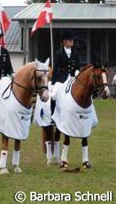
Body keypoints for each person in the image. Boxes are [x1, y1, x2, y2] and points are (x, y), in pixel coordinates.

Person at [51, 30, 81, 167]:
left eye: (72, 40)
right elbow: (56, 68)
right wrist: (53, 83)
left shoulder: (75, 53)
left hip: (73, 79)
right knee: (53, 95)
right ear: (64, 42)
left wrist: (77, 72)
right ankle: (53, 116)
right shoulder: (58, 54)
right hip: (61, 79)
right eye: (69, 40)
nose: (71, 42)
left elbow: (78, 66)